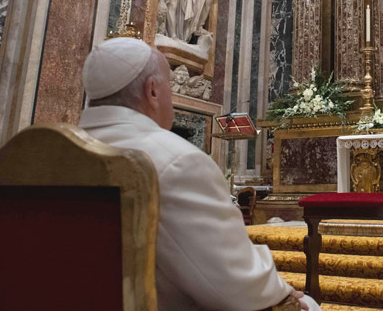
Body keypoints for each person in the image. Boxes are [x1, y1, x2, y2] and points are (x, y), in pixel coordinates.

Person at [79, 38, 319, 311]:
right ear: (153, 91)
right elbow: (241, 287)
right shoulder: (179, 161)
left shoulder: (40, 154)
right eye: (169, 84)